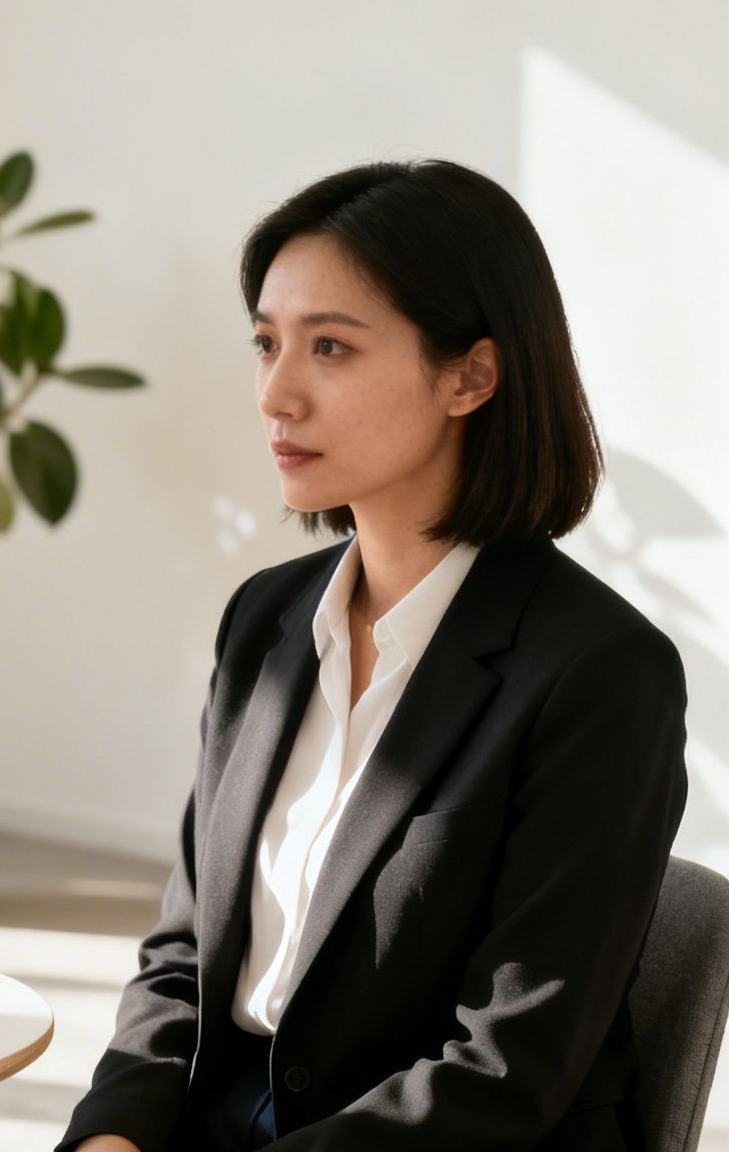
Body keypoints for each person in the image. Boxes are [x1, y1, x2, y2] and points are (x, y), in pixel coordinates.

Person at [60, 160, 687, 1151]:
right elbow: (184, 959)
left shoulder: (600, 672)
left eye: (330, 348)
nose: (276, 394)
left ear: (469, 376)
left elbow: (507, 1069)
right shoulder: (263, 621)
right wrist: (113, 1135)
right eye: (266, 343)